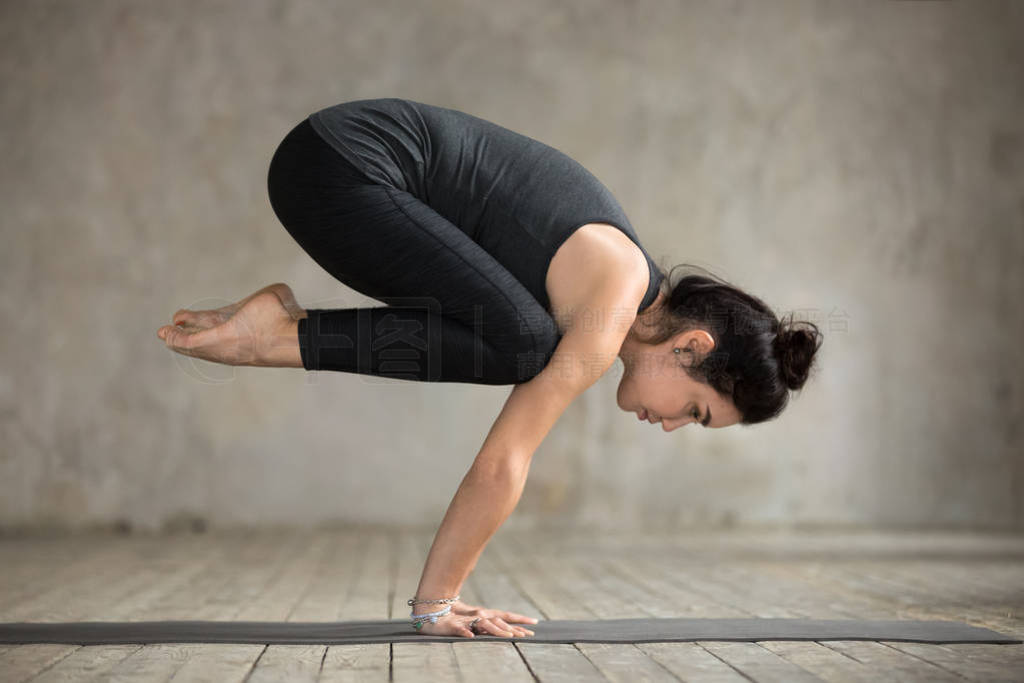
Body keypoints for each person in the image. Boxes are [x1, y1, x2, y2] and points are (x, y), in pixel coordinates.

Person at [156, 98, 823, 639]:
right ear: (692, 348)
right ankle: (275, 334)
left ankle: (277, 328)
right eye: (696, 411)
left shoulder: (612, 278)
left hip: (329, 163)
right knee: (522, 346)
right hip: (339, 168)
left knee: (523, 338)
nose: (672, 426)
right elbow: (506, 460)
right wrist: (436, 604)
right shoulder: (611, 302)